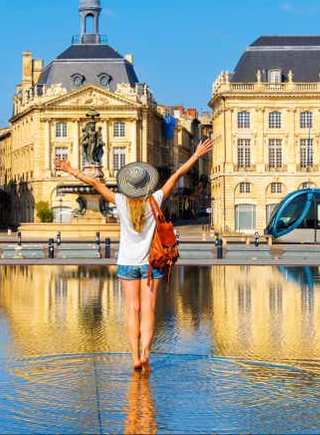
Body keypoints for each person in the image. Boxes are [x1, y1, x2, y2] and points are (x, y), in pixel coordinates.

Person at [54, 138, 213, 371]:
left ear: (127, 186)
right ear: (147, 185)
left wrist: (69, 169)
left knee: (132, 309)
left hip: (127, 263)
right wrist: (196, 155)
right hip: (152, 264)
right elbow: (176, 175)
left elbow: (94, 182)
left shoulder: (120, 201)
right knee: (148, 310)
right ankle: (146, 354)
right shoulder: (155, 199)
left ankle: (134, 357)